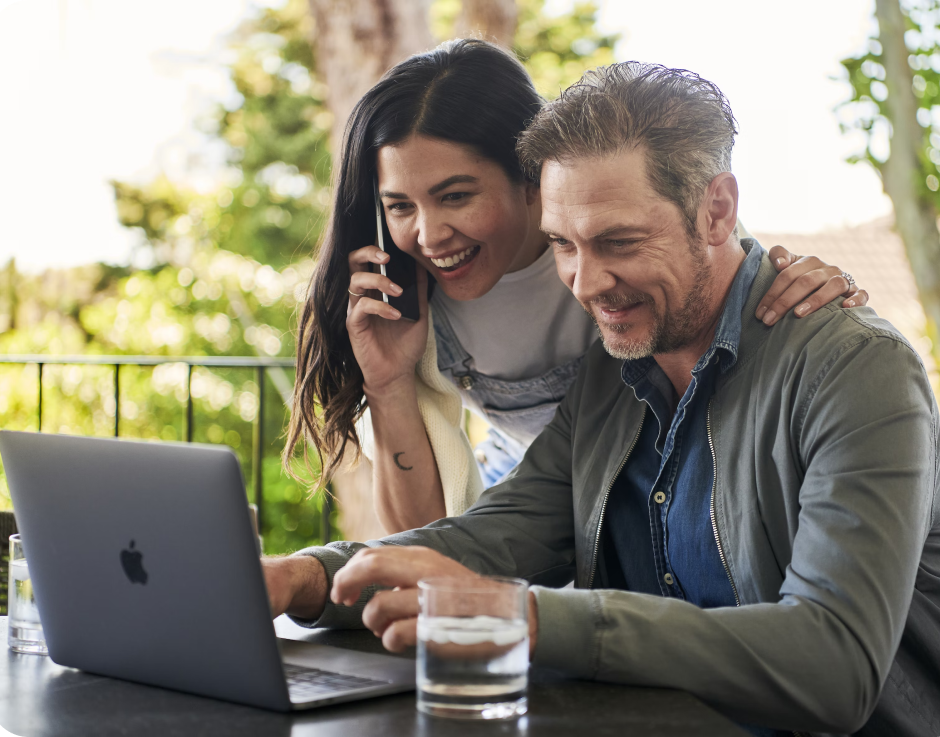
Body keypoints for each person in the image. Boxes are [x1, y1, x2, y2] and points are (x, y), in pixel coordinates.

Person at [264, 62, 940, 735]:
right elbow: (490, 536)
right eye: (562, 244)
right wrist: (306, 578)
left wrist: (525, 615)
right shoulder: (612, 369)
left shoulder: (852, 369)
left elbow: (834, 666)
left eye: (618, 241)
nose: (585, 283)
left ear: (716, 210)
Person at [284, 39, 868, 534]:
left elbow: (735, 272)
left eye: (456, 196)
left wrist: (807, 286)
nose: (429, 234)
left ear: (531, 178)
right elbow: (422, 540)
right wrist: (387, 384)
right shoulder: (406, 302)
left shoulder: (633, 237)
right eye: (399, 206)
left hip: (663, 491)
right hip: (526, 495)